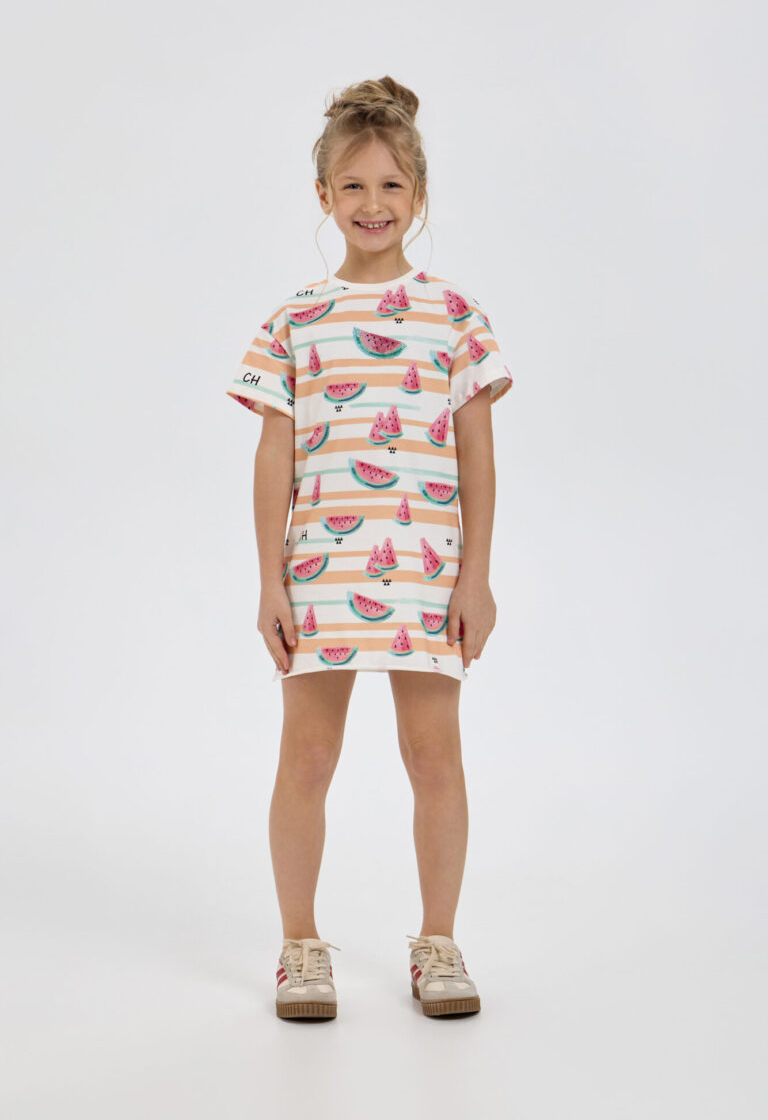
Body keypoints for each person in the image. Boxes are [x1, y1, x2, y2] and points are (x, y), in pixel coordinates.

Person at [225, 75, 514, 1021]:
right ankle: (299, 947)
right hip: (321, 574)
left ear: (418, 194)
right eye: (353, 185)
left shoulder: (455, 316)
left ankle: (439, 940)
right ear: (323, 195)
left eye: (391, 185)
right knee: (307, 757)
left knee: (434, 756)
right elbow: (274, 458)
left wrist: (476, 577)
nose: (373, 203)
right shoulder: (295, 320)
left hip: (427, 574)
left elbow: (477, 455)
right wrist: (270, 581)